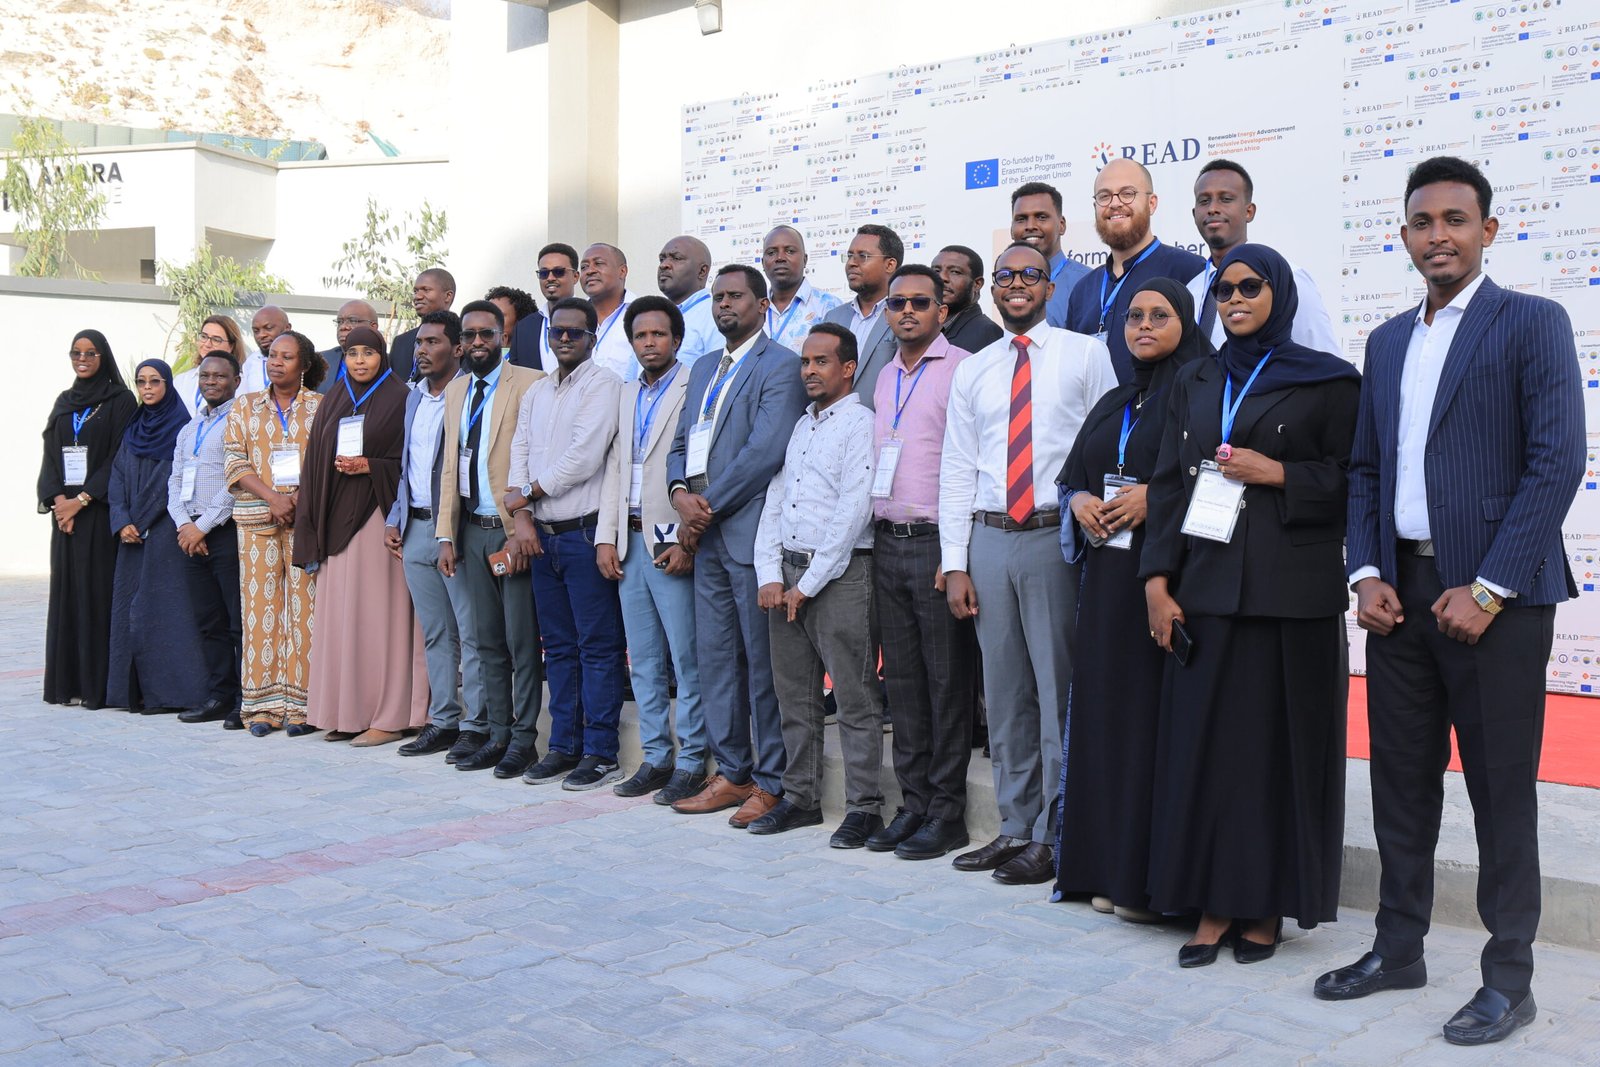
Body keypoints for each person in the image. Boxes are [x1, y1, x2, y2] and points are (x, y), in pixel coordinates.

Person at [1321, 156, 1584, 1046]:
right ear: (1403, 236)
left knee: (1501, 791)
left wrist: (1490, 587)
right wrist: (1366, 573)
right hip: (1402, 597)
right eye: (1423, 222)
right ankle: (1399, 948)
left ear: (1488, 230)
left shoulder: (1532, 321)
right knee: (1400, 783)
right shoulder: (1389, 340)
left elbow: (1557, 462)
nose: (1439, 235)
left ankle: (1509, 980)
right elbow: (1365, 468)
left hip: (1496, 601)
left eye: (1456, 220)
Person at [1140, 244, 1360, 967]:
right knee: (1207, 752)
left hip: (1289, 597)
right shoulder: (1197, 377)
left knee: (1275, 755)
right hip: (1205, 590)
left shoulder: (1328, 379)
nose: (1234, 298)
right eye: (1225, 289)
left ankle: (1265, 906)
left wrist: (1280, 474)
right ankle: (1211, 903)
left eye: (1250, 286)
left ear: (1280, 294)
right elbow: (1169, 484)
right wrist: (1157, 580)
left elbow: (1357, 482)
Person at [940, 242, 1115, 885]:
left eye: (1030, 275)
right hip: (989, 538)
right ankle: (1014, 826)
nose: (1017, 284)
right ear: (992, 288)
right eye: (1006, 275)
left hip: (1053, 537)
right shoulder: (975, 369)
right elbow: (958, 466)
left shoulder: (1085, 354)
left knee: (1056, 689)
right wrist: (955, 562)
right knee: (1005, 692)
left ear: (1049, 286)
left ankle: (1056, 831)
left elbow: (1110, 445)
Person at [1052, 279, 1212, 919]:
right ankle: (1102, 868)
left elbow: (1216, 476)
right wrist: (1080, 501)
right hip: (1106, 582)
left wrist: (1158, 496)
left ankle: (1145, 882)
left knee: (1150, 725)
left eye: (1160, 315)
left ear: (1186, 322)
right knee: (1107, 720)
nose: (1143, 325)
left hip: (1166, 578)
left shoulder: (1204, 393)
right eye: (1134, 316)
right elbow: (1074, 476)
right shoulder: (1118, 398)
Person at [666, 264, 807, 828]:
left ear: (761, 305)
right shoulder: (704, 366)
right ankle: (733, 772)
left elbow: (764, 451)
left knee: (761, 664)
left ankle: (771, 781)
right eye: (718, 297)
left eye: (735, 297)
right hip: (705, 531)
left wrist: (704, 510)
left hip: (748, 532)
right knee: (716, 658)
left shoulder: (781, 365)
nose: (724, 305)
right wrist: (679, 494)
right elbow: (681, 442)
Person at [747, 323, 882, 841]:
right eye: (805, 361)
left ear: (848, 368)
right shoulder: (801, 425)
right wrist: (769, 574)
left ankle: (864, 808)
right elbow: (776, 499)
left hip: (841, 575)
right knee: (794, 697)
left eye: (821, 361)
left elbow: (854, 509)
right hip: (786, 573)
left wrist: (809, 583)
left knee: (854, 697)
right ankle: (800, 799)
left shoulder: (860, 424)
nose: (809, 370)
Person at [866, 265, 979, 860]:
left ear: (942, 310)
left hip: (937, 544)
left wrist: (957, 553)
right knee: (904, 683)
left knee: (946, 683)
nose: (907, 311)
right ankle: (913, 805)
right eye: (897, 303)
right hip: (887, 540)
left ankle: (946, 812)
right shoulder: (885, 374)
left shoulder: (963, 369)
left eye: (920, 302)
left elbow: (972, 463)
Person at [503, 299, 626, 790]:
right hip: (543, 537)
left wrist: (529, 492)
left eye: (576, 332)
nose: (566, 339)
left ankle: (600, 752)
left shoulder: (605, 385)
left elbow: (584, 456)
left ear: (593, 337)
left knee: (597, 647)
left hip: (584, 534)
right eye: (559, 332)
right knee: (557, 648)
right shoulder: (537, 390)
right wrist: (522, 514)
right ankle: (563, 746)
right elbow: (519, 450)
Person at [596, 296, 709, 803]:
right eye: (640, 336)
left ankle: (692, 760)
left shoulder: (694, 386)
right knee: (642, 659)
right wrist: (607, 536)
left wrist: (690, 539)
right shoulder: (625, 394)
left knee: (686, 658)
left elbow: (699, 466)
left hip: (672, 539)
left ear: (677, 340)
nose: (649, 343)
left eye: (658, 334)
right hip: (630, 538)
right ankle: (656, 756)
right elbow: (615, 468)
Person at [293, 327, 428, 746]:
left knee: (380, 619)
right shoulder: (335, 397)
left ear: (382, 356)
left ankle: (391, 715)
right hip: (336, 523)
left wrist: (371, 466)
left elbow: (414, 460)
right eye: (352, 353)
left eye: (368, 352)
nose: (359, 361)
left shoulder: (401, 397)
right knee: (342, 618)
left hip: (378, 518)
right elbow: (315, 463)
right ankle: (347, 712)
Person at [435, 302, 547, 774]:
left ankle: (525, 740)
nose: (478, 342)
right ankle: (497, 735)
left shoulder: (531, 382)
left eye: (487, 334)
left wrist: (523, 523)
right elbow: (450, 467)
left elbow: (536, 458)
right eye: (470, 335)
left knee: (521, 643)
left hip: (511, 532)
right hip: (471, 531)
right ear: (461, 342)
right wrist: (445, 535)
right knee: (486, 643)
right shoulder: (456, 389)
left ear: (503, 337)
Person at [223, 332, 327, 735]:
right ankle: (261, 708)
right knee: (259, 613)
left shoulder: (320, 406)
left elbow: (326, 460)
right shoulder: (244, 405)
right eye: (272, 356)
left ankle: (304, 708)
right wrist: (273, 498)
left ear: (304, 365)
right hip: (256, 521)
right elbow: (234, 460)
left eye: (286, 357)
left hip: (305, 521)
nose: (276, 363)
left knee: (306, 612)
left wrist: (297, 499)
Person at [386, 311, 479, 758]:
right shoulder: (413, 397)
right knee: (436, 633)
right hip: (414, 527)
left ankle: (476, 725)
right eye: (419, 343)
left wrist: (451, 531)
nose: (421, 350)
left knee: (471, 631)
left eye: (432, 342)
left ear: (457, 349)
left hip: (454, 531)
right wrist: (395, 517)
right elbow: (407, 465)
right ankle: (443, 720)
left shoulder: (469, 394)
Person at [39, 330, 137, 709]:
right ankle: (68, 683)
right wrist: (58, 501)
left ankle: (98, 686)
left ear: (103, 356)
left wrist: (81, 500)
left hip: (98, 514)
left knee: (96, 596)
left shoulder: (120, 400)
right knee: (67, 597)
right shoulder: (64, 402)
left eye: (90, 353)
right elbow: (50, 455)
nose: (82, 359)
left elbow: (118, 456)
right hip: (65, 518)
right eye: (76, 353)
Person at [107, 358, 206, 715]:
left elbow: (173, 480)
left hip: (165, 532)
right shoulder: (134, 426)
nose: (147, 388)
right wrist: (122, 520)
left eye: (155, 381)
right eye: (141, 382)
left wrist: (141, 520)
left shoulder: (182, 427)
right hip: (131, 536)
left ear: (167, 385)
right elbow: (117, 476)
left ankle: (171, 693)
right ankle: (128, 692)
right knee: (128, 610)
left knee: (165, 611)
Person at [1066, 159, 1207, 384]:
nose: (1115, 203)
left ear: (1152, 203)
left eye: (1127, 193)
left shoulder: (1188, 271)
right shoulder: (1083, 289)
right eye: (1104, 196)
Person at [1186, 159, 1338, 353]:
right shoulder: (1190, 290)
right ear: (1194, 214)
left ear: (1249, 211)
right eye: (1204, 201)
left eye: (1226, 199)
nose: (1212, 208)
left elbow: (1323, 355)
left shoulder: (1286, 278)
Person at [170, 353, 244, 730]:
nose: (210, 382)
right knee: (209, 621)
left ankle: (245, 699)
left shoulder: (239, 421)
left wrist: (204, 526)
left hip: (225, 532)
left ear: (236, 380)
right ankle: (219, 695)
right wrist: (186, 525)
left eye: (219, 376)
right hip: (191, 536)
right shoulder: (190, 427)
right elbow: (174, 480)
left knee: (236, 622)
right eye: (205, 376)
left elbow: (238, 481)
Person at [822, 224, 900, 409]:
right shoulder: (833, 317)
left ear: (890, 264)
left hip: (882, 422)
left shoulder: (902, 315)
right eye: (850, 255)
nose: (852, 263)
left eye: (863, 256)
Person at [1008, 182, 1090, 329]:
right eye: (1021, 219)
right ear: (1011, 229)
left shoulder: (1086, 283)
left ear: (1061, 225)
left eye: (1041, 217)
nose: (1030, 226)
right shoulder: (1005, 284)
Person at [761, 225, 841, 351]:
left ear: (805, 260)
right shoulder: (752, 309)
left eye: (790, 251)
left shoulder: (829, 307)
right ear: (762, 263)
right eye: (771, 253)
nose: (780, 258)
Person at [657, 235, 721, 366]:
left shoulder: (715, 315)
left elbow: (719, 372)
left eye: (676, 258)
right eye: (662, 259)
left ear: (702, 271)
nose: (664, 265)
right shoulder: (652, 315)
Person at [579, 243, 637, 381]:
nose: (589, 271)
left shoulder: (642, 315)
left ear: (622, 271)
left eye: (598, 263)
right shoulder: (575, 316)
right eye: (584, 267)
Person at [933, 245, 1003, 354]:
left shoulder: (988, 333)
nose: (942, 277)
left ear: (977, 284)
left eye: (955, 272)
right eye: (936, 271)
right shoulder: (924, 330)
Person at [391, 268, 457, 381]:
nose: (417, 296)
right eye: (415, 291)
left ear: (448, 296)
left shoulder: (464, 338)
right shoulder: (400, 342)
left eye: (426, 290)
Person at [175, 315, 249, 416]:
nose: (207, 344)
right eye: (204, 337)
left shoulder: (242, 384)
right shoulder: (181, 380)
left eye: (216, 340)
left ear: (231, 346)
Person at [525, 242, 581, 373]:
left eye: (558, 272)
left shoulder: (591, 320)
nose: (550, 278)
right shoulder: (524, 327)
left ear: (575, 277)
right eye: (544, 273)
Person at [317, 299, 379, 392]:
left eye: (353, 321)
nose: (343, 327)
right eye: (339, 322)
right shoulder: (321, 360)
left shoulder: (391, 363)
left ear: (373, 326)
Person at [486, 285, 543, 367]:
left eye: (498, 315)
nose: (489, 321)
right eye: (487, 315)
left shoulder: (534, 360)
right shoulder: (473, 359)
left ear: (521, 321)